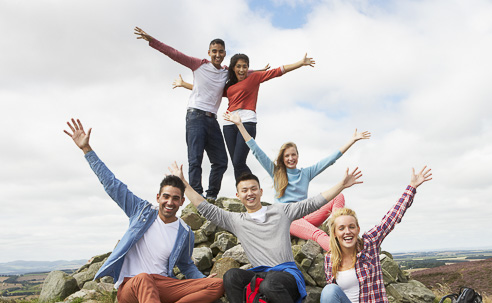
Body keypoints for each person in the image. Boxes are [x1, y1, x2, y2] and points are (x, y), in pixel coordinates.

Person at [63, 118, 225, 303]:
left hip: (162, 286)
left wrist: (202, 282)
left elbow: (185, 266)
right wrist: (87, 150)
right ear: (158, 197)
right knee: (143, 279)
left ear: (182, 201)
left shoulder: (184, 231)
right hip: (131, 287)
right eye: (165, 196)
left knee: (218, 285)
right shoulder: (141, 212)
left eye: (175, 198)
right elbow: (112, 185)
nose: (170, 202)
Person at [168, 161, 362, 303]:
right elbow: (205, 208)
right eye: (244, 190)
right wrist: (183, 182)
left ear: (261, 192)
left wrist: (342, 185)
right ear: (238, 196)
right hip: (260, 274)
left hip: (286, 275)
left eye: (253, 189)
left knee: (270, 284)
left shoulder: (281, 211)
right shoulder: (236, 220)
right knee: (231, 277)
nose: (249, 193)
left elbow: (313, 203)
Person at [320, 166, 433, 303]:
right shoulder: (329, 259)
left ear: (358, 228)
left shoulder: (369, 244)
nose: (347, 232)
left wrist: (411, 187)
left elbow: (391, 218)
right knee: (329, 290)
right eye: (342, 228)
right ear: (335, 233)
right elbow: (332, 300)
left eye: (352, 227)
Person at [223, 111, 370, 251]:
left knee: (339, 195)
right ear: (283, 157)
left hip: (306, 215)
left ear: (298, 156)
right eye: (287, 156)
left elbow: (330, 160)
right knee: (318, 235)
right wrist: (240, 125)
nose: (290, 158)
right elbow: (255, 150)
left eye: (293, 155)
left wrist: (352, 140)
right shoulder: (276, 172)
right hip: (288, 220)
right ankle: (343, 251)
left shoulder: (306, 173)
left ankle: (339, 228)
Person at [174, 52, 315, 181]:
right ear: (233, 68)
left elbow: (278, 71)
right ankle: (242, 192)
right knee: (236, 164)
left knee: (238, 161)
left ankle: (254, 187)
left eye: (245, 67)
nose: (242, 70)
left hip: (247, 122)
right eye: (239, 67)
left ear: (248, 68)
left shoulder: (254, 77)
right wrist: (183, 84)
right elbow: (207, 90)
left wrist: (300, 63)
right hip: (229, 125)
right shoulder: (228, 85)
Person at [134, 26, 229, 201]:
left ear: (224, 53)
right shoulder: (198, 64)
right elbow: (175, 53)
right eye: (214, 51)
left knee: (221, 161)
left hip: (212, 119)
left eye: (220, 52)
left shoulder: (226, 73)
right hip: (195, 116)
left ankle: (211, 196)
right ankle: (196, 196)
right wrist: (152, 40)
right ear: (209, 52)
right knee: (195, 159)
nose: (217, 54)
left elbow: (245, 74)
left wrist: (263, 72)